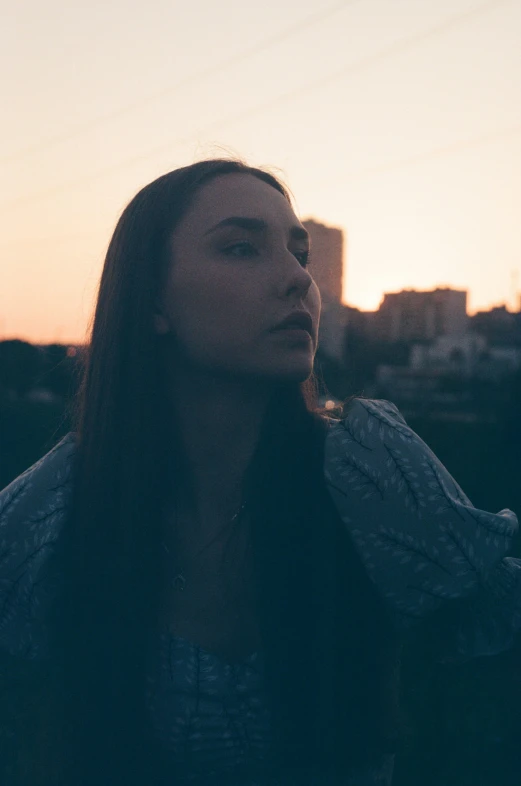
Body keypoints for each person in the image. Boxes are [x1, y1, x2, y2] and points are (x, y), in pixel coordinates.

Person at [0, 158, 519, 786]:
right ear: (152, 301)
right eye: (243, 248)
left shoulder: (372, 477)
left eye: (301, 255)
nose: (298, 280)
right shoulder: (56, 512)